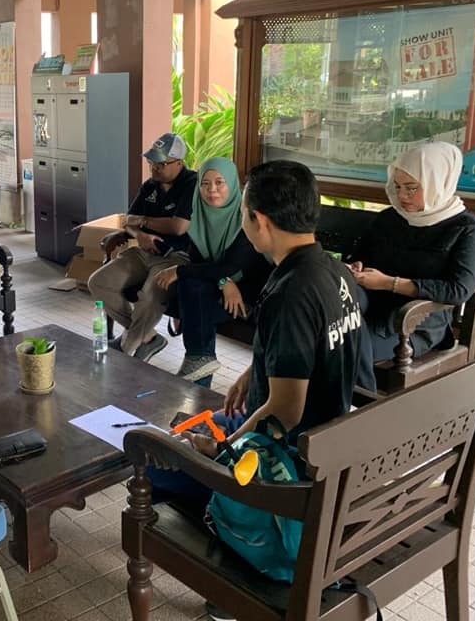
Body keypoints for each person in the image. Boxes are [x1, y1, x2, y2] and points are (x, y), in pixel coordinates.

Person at [149, 160, 371, 621]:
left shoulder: (288, 291)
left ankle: (238, 578)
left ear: (260, 221)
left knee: (158, 462)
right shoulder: (334, 272)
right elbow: (314, 346)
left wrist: (223, 449)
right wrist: (259, 367)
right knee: (192, 427)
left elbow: (285, 413)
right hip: (335, 441)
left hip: (291, 469)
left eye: (244, 214)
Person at [347, 142, 475, 362]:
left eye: (411, 188)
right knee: (320, 336)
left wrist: (389, 283)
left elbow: (459, 289)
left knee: (344, 350)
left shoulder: (466, 228)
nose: (402, 195)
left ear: (437, 182)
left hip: (416, 323)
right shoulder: (389, 218)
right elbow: (359, 257)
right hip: (368, 308)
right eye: (397, 186)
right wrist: (356, 268)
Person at [153, 158, 272, 385]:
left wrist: (180, 270)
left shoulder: (245, 218)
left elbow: (232, 265)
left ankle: (199, 368)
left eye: (219, 182)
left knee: (194, 299)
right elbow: (200, 261)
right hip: (223, 286)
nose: (212, 190)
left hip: (250, 294)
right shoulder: (199, 214)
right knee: (192, 289)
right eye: (205, 184)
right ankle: (200, 362)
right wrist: (224, 282)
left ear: (233, 184)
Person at [88, 132, 197, 361]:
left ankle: (125, 351)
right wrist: (141, 235)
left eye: (160, 164)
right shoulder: (150, 186)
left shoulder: (192, 184)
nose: (154, 168)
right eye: (151, 162)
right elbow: (128, 221)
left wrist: (144, 222)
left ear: (179, 163)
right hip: (144, 252)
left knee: (149, 296)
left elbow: (179, 227)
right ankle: (148, 337)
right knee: (98, 282)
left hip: (176, 258)